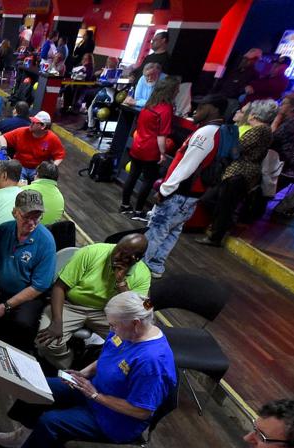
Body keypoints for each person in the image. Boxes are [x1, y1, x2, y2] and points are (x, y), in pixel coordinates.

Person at [0, 291, 174, 448]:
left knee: (51, 421)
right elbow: (107, 357)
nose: (111, 328)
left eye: (114, 325)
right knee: (39, 386)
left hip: (115, 418)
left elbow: (141, 411)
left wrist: (95, 396)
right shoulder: (127, 333)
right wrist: (84, 373)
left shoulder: (152, 361)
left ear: (135, 323)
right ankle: (25, 434)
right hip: (93, 390)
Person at [35, 236, 151, 370]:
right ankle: (69, 366)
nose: (116, 255)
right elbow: (59, 286)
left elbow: (146, 307)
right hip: (71, 305)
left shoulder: (143, 274)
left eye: (124, 255)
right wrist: (57, 321)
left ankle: (93, 360)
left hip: (107, 313)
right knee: (46, 342)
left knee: (131, 345)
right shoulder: (91, 252)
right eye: (117, 249)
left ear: (136, 259)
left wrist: (121, 284)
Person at [142, 96, 228, 277]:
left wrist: (165, 189)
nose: (196, 111)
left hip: (179, 193)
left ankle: (141, 269)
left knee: (157, 229)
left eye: (201, 107)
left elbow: (187, 165)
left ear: (213, 109)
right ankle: (155, 267)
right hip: (191, 195)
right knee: (172, 231)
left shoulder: (206, 133)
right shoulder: (219, 132)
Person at [0, 189, 56, 351]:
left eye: (37, 217)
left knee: (23, 322)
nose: (32, 223)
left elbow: (38, 287)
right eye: (27, 217)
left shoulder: (46, 241)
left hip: (26, 295)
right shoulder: (3, 230)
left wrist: (6, 306)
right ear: (15, 213)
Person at [196, 107, 273, 247]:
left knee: (224, 204)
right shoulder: (266, 130)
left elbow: (237, 149)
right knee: (216, 201)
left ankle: (217, 234)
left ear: (255, 115)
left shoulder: (258, 131)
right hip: (241, 172)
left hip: (239, 171)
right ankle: (221, 226)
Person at [121, 76, 178, 220]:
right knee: (148, 179)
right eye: (176, 90)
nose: (178, 92)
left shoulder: (149, 104)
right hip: (150, 149)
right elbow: (161, 136)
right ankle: (138, 211)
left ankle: (125, 205)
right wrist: (163, 153)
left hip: (138, 144)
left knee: (133, 175)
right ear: (171, 91)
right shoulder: (165, 109)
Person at [3, 113, 66, 182]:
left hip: (37, 170)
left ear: (43, 126)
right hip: (20, 166)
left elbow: (60, 156)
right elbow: (2, 138)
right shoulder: (22, 131)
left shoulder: (52, 138)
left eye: (34, 122)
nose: (31, 124)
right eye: (31, 121)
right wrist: (3, 152)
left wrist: (50, 168)